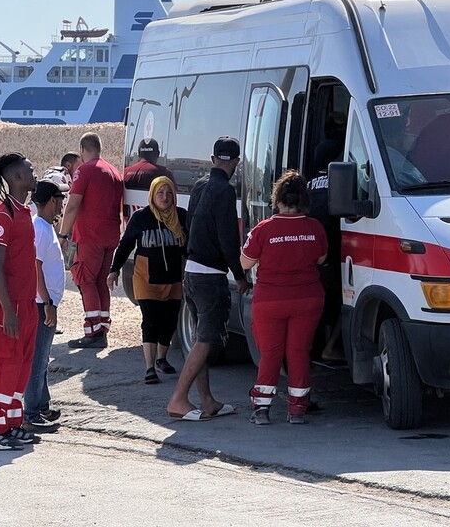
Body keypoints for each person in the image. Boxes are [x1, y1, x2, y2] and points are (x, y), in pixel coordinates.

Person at [166, 136, 246, 422]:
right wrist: (239, 275)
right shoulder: (225, 191)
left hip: (190, 271)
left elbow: (190, 226)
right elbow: (228, 240)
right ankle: (178, 399)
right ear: (235, 163)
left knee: (201, 337)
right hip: (210, 276)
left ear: (213, 159)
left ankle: (206, 400)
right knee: (206, 341)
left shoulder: (199, 185)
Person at [241, 170, 327, 425]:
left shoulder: (263, 229)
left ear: (277, 199)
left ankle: (261, 409)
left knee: (271, 354)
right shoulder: (315, 228)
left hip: (270, 300)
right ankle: (298, 409)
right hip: (307, 298)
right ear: (303, 200)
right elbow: (321, 259)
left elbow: (245, 263)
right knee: (299, 352)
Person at [0, 152, 40, 451]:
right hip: (11, 304)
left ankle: (13, 423)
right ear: (17, 177)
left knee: (23, 365)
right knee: (7, 364)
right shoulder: (3, 214)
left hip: (26, 301)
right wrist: (8, 310)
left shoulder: (23, 210)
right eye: (30, 170)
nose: (35, 173)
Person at [108, 176, 187, 385]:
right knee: (150, 321)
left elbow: (190, 248)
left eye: (169, 193)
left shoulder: (181, 217)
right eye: (160, 193)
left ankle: (162, 359)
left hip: (173, 280)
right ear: (152, 195)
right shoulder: (141, 218)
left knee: (169, 322)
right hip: (146, 279)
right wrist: (114, 269)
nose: (165, 197)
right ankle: (150, 367)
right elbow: (125, 245)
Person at [60, 132, 123, 349]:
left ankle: (92, 331)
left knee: (86, 280)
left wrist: (62, 234)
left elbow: (74, 205)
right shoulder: (115, 171)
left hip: (90, 236)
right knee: (101, 282)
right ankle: (102, 328)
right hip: (111, 236)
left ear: (82, 150)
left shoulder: (84, 171)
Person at [23, 179, 68, 433]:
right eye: (60, 198)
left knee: (42, 358)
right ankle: (31, 414)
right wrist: (48, 303)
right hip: (42, 305)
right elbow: (35, 267)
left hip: (45, 303)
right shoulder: (40, 228)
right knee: (38, 361)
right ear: (52, 201)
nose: (63, 202)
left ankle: (41, 406)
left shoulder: (44, 227)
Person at [307, 140, 345, 362]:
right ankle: (331, 347)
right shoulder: (341, 183)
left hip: (311, 258)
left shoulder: (308, 185)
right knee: (348, 301)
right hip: (332, 256)